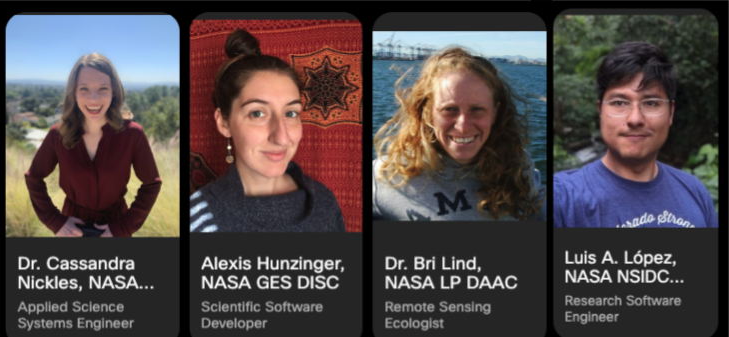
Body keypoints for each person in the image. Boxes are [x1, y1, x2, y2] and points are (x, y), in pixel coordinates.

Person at [189, 29, 345, 232]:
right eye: (257, 114)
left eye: (290, 114)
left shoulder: (325, 202)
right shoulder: (198, 218)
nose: (282, 137)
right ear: (223, 123)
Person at [553, 41, 718, 228]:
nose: (635, 119)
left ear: (671, 113)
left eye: (651, 103)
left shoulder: (694, 191)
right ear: (600, 111)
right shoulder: (563, 198)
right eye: (619, 103)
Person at [372, 47, 545, 221]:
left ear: (495, 113)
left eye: (477, 109)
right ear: (428, 113)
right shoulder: (386, 176)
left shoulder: (519, 167)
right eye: (449, 109)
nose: (463, 126)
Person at [25, 53, 162, 237]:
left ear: (114, 91)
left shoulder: (133, 134)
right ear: (74, 92)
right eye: (84, 89)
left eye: (103, 88)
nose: (94, 98)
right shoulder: (57, 135)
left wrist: (123, 228)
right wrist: (55, 222)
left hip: (115, 230)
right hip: (71, 231)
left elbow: (151, 184)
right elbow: (34, 178)